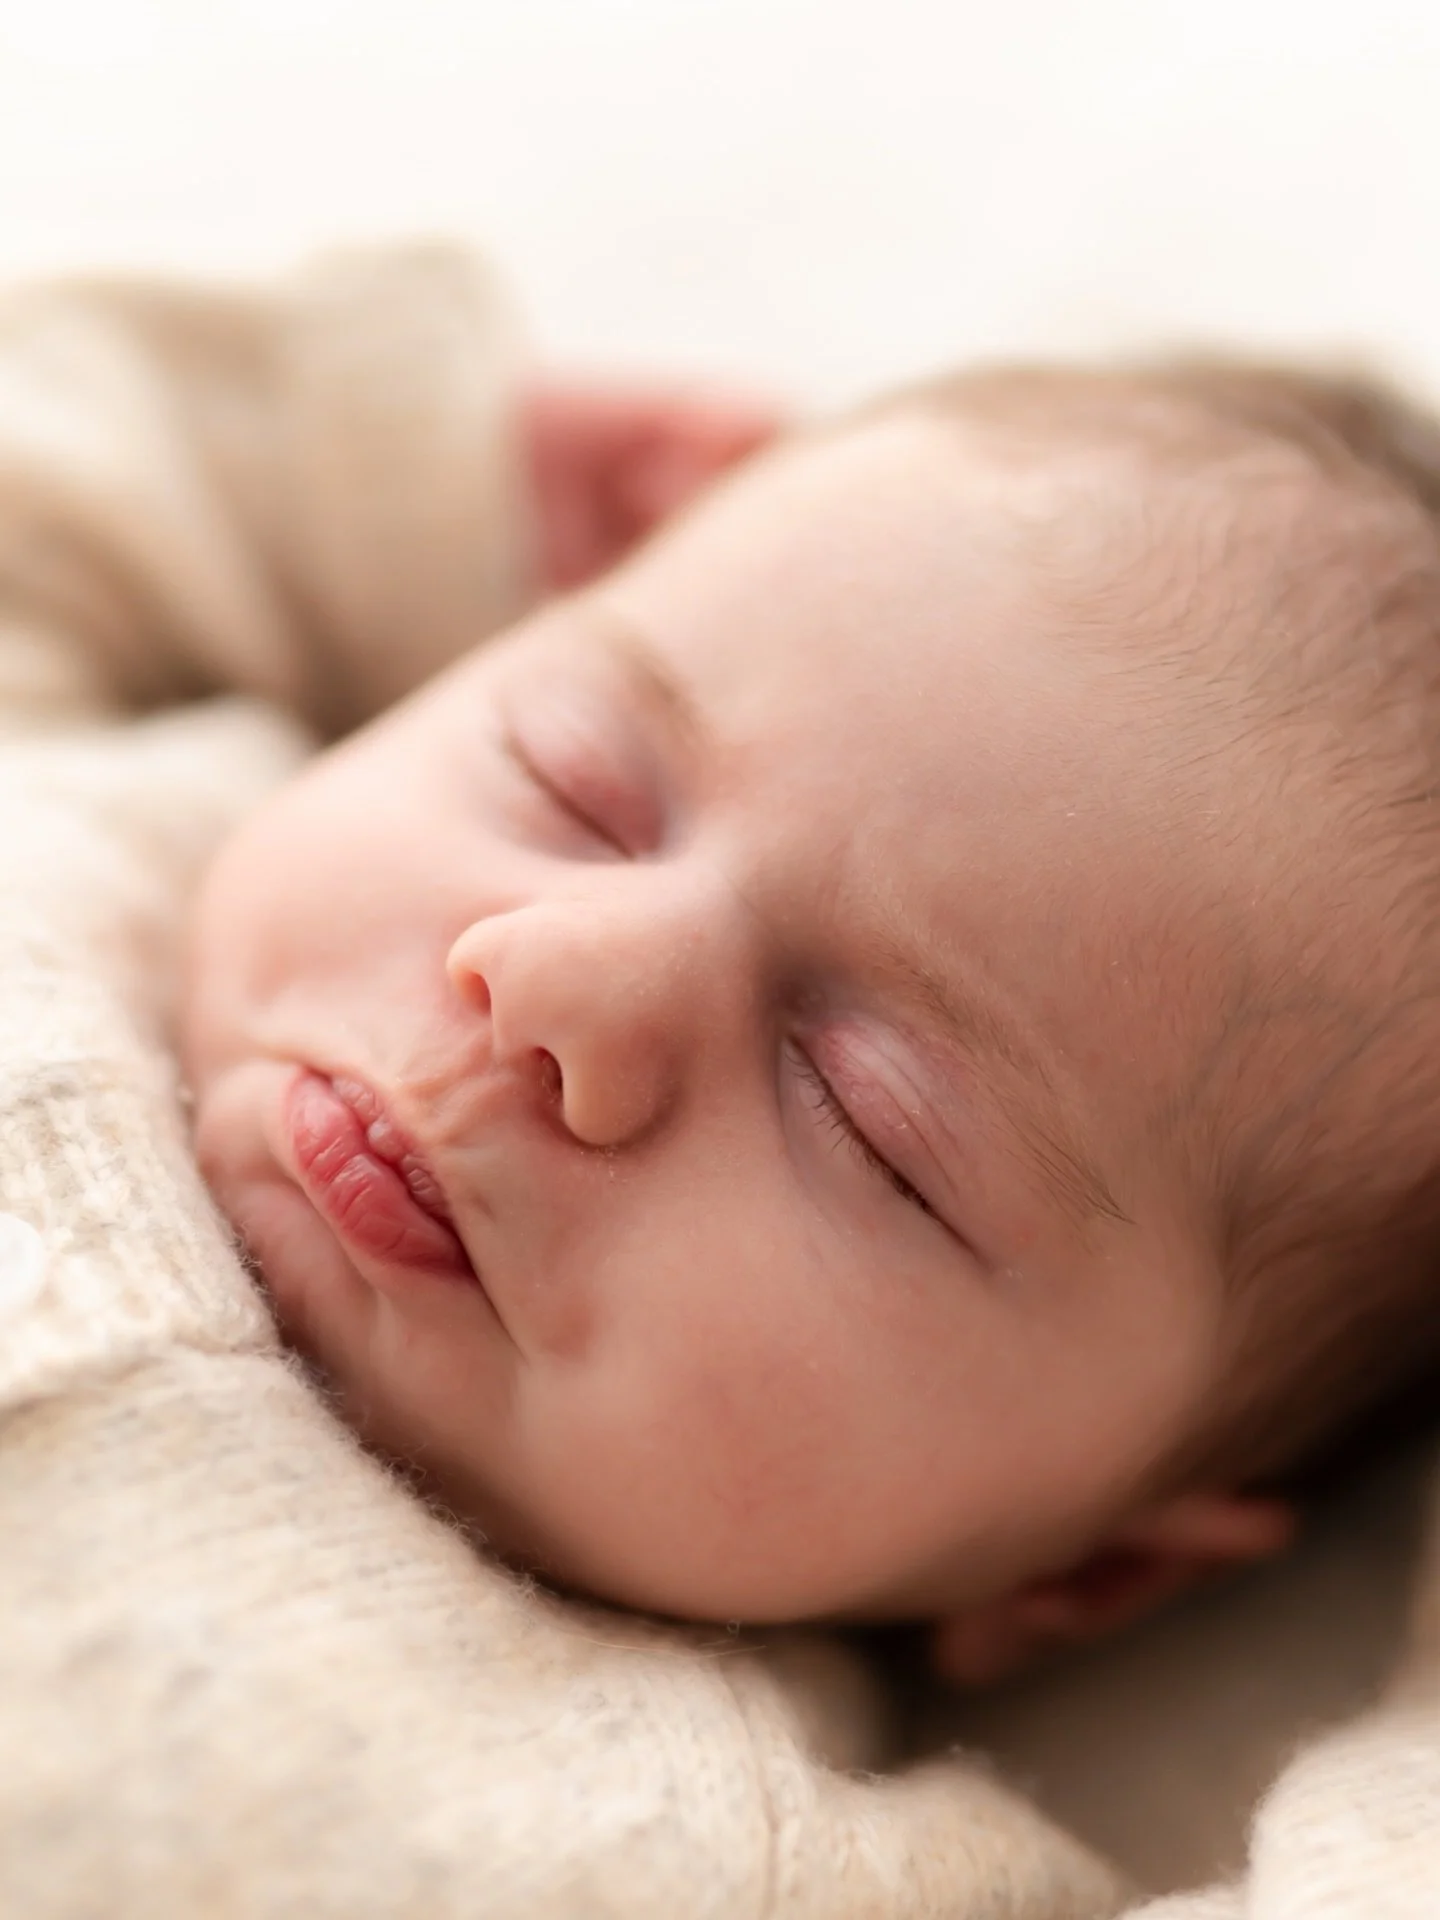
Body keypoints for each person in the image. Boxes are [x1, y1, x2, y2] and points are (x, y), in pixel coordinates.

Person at [6, 244, 1437, 1693]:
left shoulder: (778, 1835)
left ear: (1094, 1565)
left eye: (864, 1119)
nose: (559, 982)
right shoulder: (92, 812)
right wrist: (402, 494)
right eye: (570, 782)